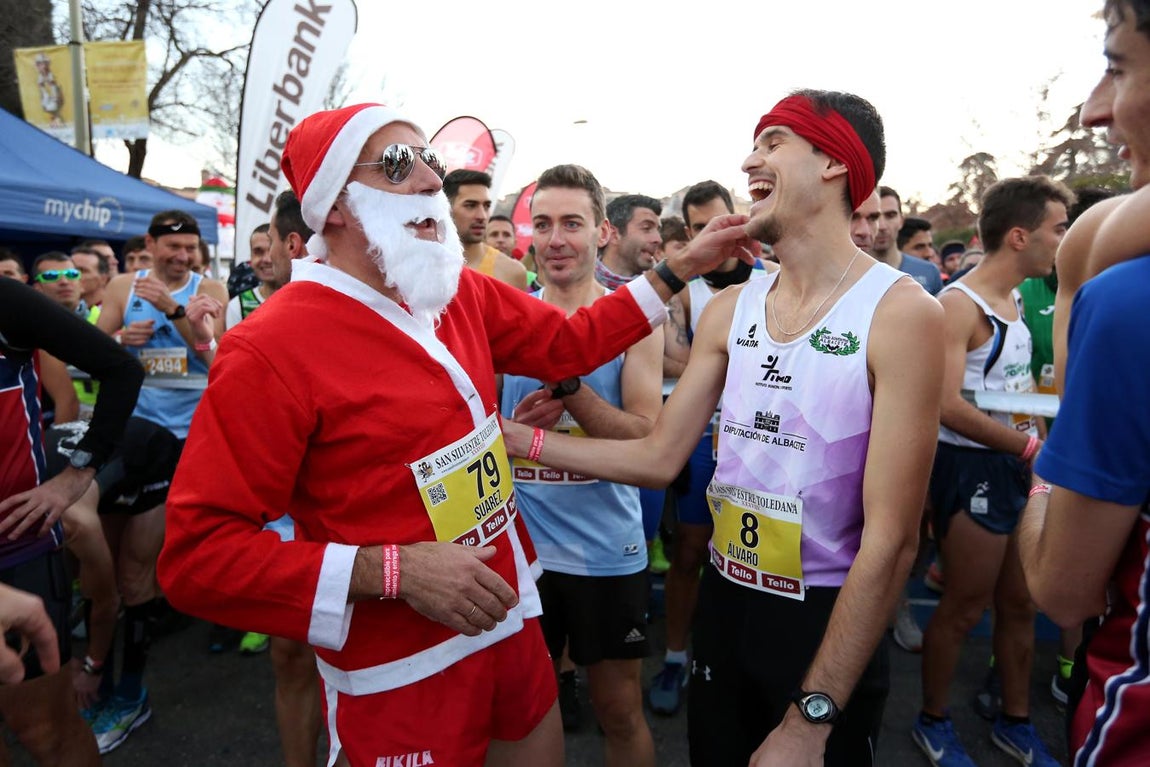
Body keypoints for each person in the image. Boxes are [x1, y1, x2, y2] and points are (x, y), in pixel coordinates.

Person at [156, 102, 755, 766]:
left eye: (430, 164)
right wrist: (392, 569)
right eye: (397, 165)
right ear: (332, 206)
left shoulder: (454, 291)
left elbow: (570, 342)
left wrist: (682, 267)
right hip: (400, 666)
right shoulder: (268, 347)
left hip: (509, 612)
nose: (425, 182)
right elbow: (197, 558)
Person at [504, 89, 942, 767]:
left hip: (823, 614)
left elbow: (893, 541)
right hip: (725, 599)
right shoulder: (730, 307)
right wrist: (508, 439)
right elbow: (657, 455)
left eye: (772, 142)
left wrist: (810, 719)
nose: (749, 159)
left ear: (834, 162)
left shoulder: (900, 312)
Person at [1018, 3, 1150, 764]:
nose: (1097, 107)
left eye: (1119, 65)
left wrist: (1045, 478)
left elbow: (1063, 589)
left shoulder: (1130, 302)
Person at [502, 164, 662, 766]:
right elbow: (473, 433)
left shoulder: (633, 321)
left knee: (617, 710)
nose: (555, 239)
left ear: (602, 233)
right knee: (520, 712)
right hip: (522, 552)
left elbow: (646, 436)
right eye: (543, 224)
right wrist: (506, 428)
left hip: (605, 550)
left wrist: (571, 387)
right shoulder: (506, 316)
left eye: (572, 223)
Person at [912, 176, 1072, 767]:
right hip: (973, 467)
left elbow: (1020, 394)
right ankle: (932, 719)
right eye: (1058, 228)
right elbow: (946, 404)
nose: (1064, 239)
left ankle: (1017, 721)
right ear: (1019, 235)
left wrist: (1040, 453)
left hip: (1018, 467)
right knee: (965, 605)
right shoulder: (959, 304)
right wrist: (1029, 452)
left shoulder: (1017, 300)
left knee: (1022, 604)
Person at [92, 210, 226, 754]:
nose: (180, 256)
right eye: (171, 247)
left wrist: (174, 313)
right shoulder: (124, 285)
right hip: (134, 435)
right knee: (113, 561)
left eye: (188, 247)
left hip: (191, 438)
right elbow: (94, 351)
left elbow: (225, 362)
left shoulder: (209, 288)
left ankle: (136, 682)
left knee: (149, 560)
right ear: (150, 244)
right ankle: (110, 662)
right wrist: (123, 336)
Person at [0, 278, 144, 765]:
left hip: (14, 545)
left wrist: (76, 473)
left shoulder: (4, 300)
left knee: (43, 728)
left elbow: (121, 368)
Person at [652, 179, 774, 717]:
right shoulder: (685, 288)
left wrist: (709, 362)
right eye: (698, 228)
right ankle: (677, 654)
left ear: (737, 216)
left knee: (760, 555)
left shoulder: (773, 279)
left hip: (759, 439)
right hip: (702, 437)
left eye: (718, 221)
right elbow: (668, 361)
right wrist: (723, 363)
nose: (711, 234)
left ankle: (746, 654)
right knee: (690, 552)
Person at [443, 168, 529, 290]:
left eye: (486, 206)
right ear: (446, 207)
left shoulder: (511, 272)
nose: (482, 216)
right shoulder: (420, 263)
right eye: (471, 206)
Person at [874, 188, 945, 294]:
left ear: (901, 221)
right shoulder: (848, 273)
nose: (882, 226)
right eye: (874, 217)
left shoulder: (929, 271)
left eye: (890, 215)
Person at [595, 194, 663, 290]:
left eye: (658, 230)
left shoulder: (661, 292)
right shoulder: (574, 285)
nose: (658, 239)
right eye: (646, 228)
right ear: (613, 235)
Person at [225, 224, 276, 330]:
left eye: (272, 250)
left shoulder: (304, 299)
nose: (267, 259)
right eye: (258, 252)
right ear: (251, 257)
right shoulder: (238, 305)